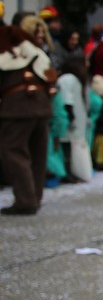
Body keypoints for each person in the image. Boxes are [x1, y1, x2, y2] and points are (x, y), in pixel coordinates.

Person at [0, 20, 56, 215]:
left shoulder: (4, 44)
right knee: (37, 153)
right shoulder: (30, 46)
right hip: (40, 105)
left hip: (17, 107)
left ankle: (26, 200)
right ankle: (34, 197)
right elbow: (50, 76)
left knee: (14, 151)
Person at [55, 55, 94, 182]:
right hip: (69, 119)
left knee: (75, 146)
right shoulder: (68, 79)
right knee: (68, 146)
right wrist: (69, 115)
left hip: (77, 119)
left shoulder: (77, 79)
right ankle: (67, 172)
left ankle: (75, 172)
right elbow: (66, 98)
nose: (87, 64)